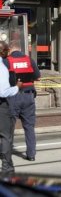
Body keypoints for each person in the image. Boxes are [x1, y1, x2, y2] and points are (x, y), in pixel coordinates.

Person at [3, 40, 41, 161]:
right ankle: (31, 155)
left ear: (10, 49)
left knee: (9, 127)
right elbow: (38, 76)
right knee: (29, 127)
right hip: (28, 96)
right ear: (20, 49)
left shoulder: (7, 61)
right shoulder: (29, 60)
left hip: (13, 97)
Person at [0, 41, 22, 173]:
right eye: (7, 50)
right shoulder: (1, 68)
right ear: (3, 51)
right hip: (1, 106)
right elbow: (3, 91)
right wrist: (17, 88)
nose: (8, 52)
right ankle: (7, 167)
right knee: (6, 137)